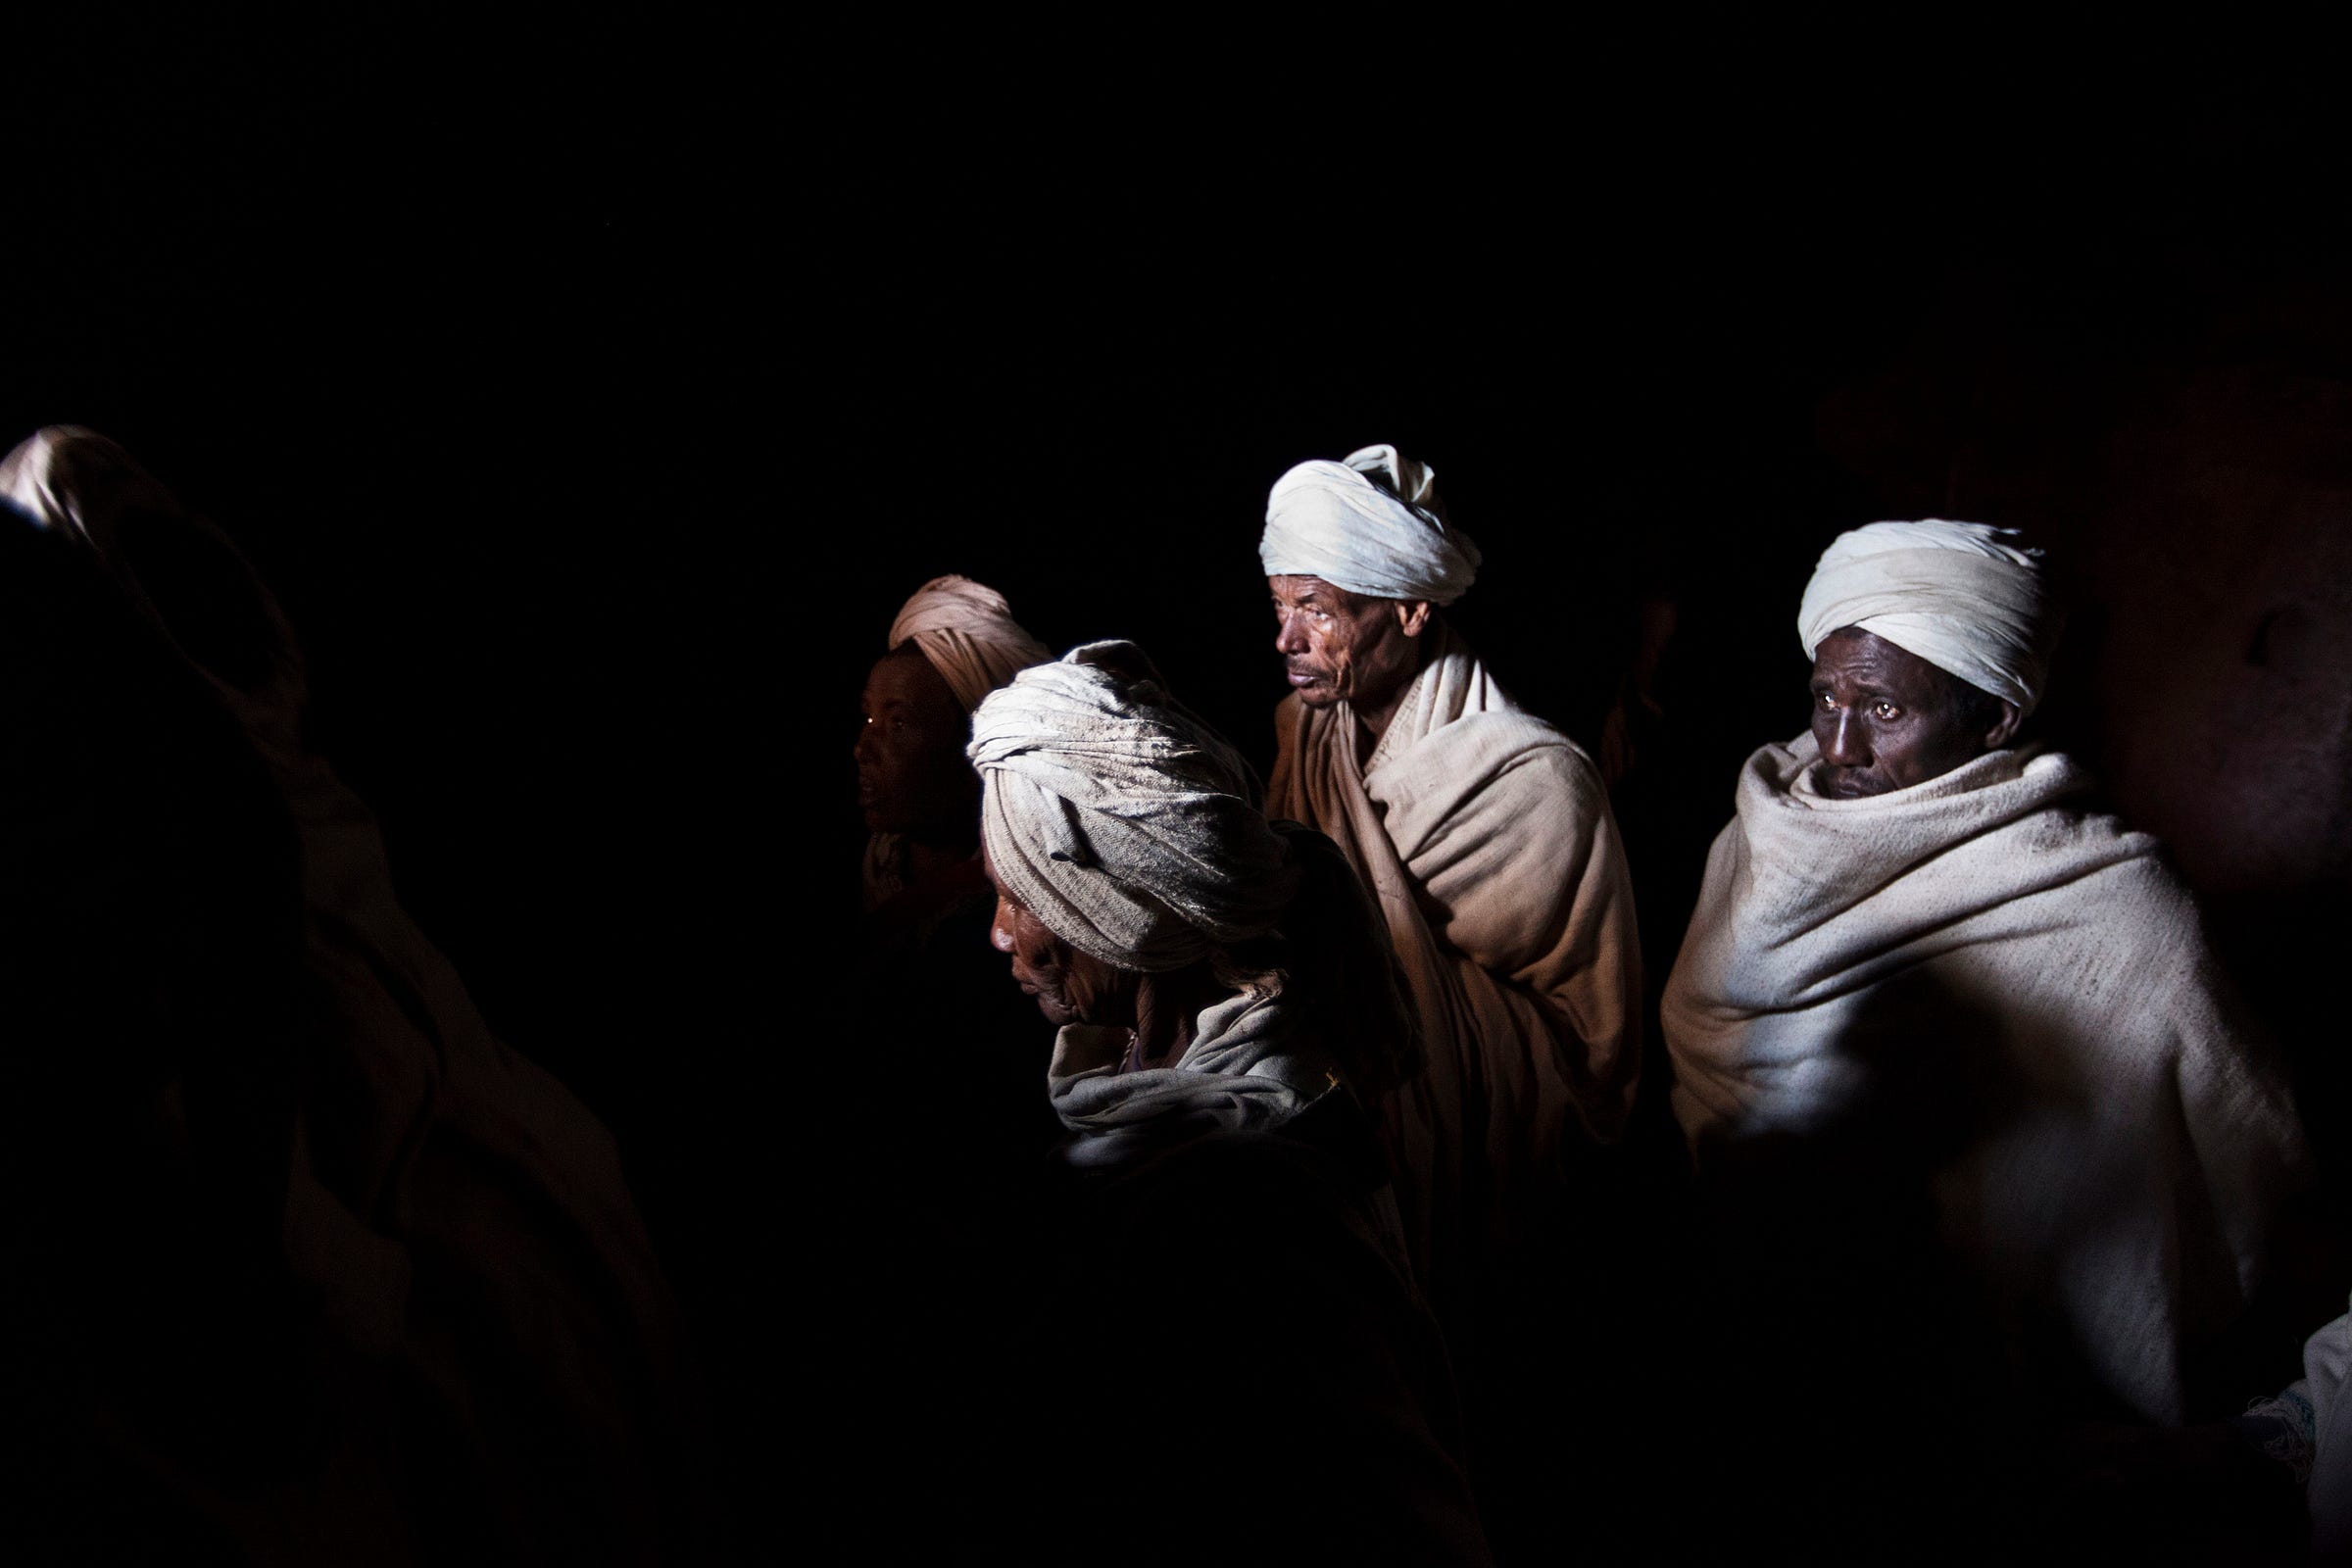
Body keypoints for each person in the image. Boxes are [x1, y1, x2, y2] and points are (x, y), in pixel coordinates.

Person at [0, 426, 719, 1563]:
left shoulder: (311, 812)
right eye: (143, 576)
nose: (200, 599)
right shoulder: (173, 882)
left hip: (562, 1298)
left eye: (178, 549)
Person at [1660, 518, 2311, 1546]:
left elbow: (2248, 1166)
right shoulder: (1767, 827)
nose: (1836, 746)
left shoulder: (2113, 913)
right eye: (1825, 696)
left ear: (1998, 715)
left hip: (1989, 1409)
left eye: (1882, 708)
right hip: (1754, 1348)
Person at [964, 639, 1489, 1564]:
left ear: (1111, 918)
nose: (1000, 933)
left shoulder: (1256, 1199)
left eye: (1018, 896)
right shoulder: (1137, 1083)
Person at [1255, 444, 1642, 1535]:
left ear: (1413, 612)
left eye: (1318, 611)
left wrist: (1430, 1045)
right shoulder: (1302, 734)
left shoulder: (1530, 779)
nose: (1287, 639)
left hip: (1491, 1176)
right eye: (1280, 606)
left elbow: (1594, 1038)